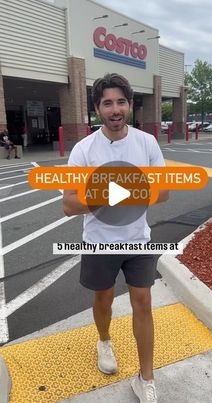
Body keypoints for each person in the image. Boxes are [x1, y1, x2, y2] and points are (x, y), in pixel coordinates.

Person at [63, 73, 169, 402]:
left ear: (130, 105)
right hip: (100, 242)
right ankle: (104, 340)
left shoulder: (146, 143)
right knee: (103, 300)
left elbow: (163, 191)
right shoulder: (84, 150)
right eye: (107, 103)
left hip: (138, 239)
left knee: (143, 302)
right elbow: (68, 204)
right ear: (97, 109)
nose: (115, 109)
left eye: (120, 101)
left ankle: (145, 378)